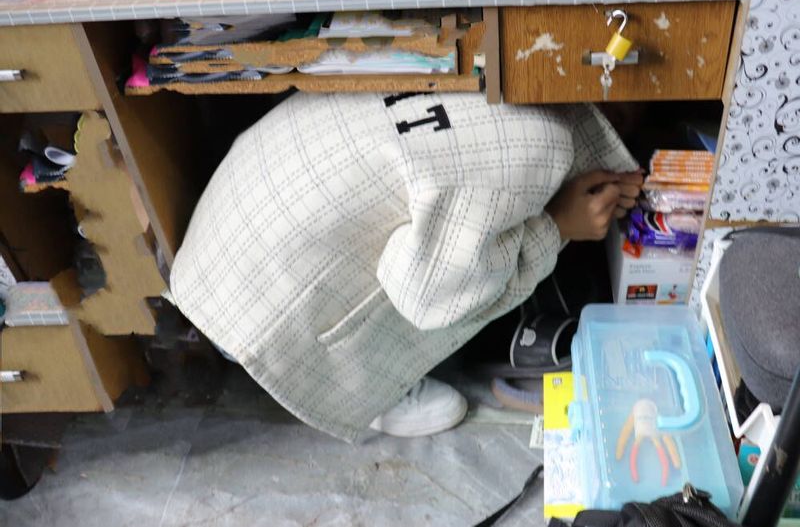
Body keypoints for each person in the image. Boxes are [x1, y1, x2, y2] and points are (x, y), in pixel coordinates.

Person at [169, 92, 642, 441]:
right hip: (252, 325)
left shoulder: (497, 77)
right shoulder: (541, 143)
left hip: (212, 249)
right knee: (458, 287)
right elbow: (425, 295)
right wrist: (558, 226)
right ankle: (377, 394)